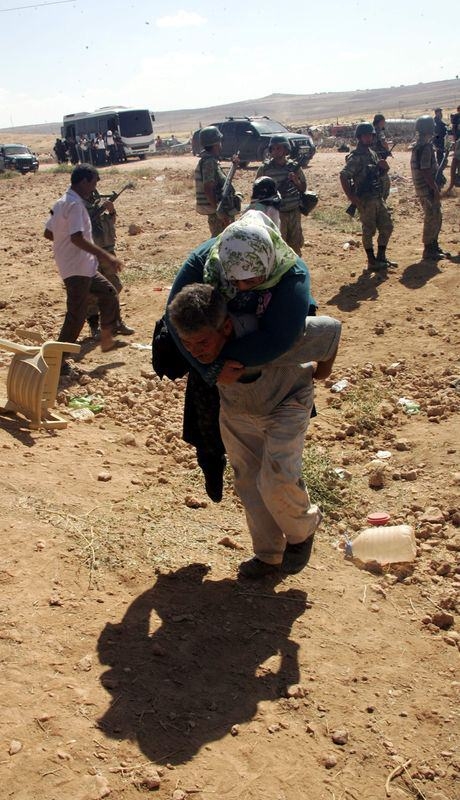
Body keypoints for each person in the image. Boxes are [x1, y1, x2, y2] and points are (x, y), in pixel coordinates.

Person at [168, 281, 340, 580]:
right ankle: (268, 556)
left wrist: (321, 373)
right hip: (238, 410)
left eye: (203, 343)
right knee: (248, 481)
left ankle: (303, 529)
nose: (196, 352)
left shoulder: (267, 333)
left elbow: (330, 330)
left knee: (276, 478)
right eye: (188, 344)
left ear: (225, 327)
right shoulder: (197, 345)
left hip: (286, 402)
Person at [44, 164, 124, 372]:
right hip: (76, 268)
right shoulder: (74, 205)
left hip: (82, 266)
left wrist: (64, 246)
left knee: (109, 293)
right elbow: (77, 238)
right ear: (84, 182)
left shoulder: (61, 202)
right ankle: (57, 361)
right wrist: (107, 256)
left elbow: (48, 232)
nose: (94, 188)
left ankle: (106, 338)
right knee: (76, 316)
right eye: (94, 183)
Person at [340, 121, 396, 271]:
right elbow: (344, 175)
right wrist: (352, 198)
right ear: (359, 137)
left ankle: (381, 257)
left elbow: (378, 175)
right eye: (365, 136)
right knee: (368, 230)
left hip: (377, 197)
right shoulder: (356, 157)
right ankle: (372, 261)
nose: (368, 138)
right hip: (365, 199)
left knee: (387, 226)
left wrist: (384, 169)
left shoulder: (373, 154)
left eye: (370, 135)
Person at [85, 189, 135, 339]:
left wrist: (111, 211)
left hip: (107, 252)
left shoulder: (98, 208)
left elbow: (110, 223)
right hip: (91, 255)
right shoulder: (79, 210)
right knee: (92, 293)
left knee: (114, 287)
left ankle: (116, 322)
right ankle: (94, 327)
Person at [256, 134, 306, 256]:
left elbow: (303, 188)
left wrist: (296, 181)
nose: (275, 151)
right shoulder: (265, 169)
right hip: (276, 213)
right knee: (278, 245)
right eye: (273, 148)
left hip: (294, 211)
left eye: (279, 148)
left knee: (295, 244)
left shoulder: (294, 167)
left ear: (285, 149)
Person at [410, 115, 449, 260]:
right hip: (426, 188)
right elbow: (425, 170)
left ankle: (433, 245)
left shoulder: (421, 145)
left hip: (424, 187)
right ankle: (429, 248)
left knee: (435, 215)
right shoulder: (425, 147)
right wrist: (434, 188)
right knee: (432, 216)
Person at [194, 126, 238, 237]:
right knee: (223, 241)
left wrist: (234, 166)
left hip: (219, 212)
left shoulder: (211, 160)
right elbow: (208, 188)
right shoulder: (209, 162)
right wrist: (220, 213)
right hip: (218, 214)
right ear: (216, 143)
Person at [372, 114, 392, 200]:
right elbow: (384, 142)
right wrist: (387, 151)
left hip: (371, 158)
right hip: (378, 159)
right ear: (380, 122)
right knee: (384, 181)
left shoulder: (371, 130)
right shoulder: (379, 131)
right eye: (383, 121)